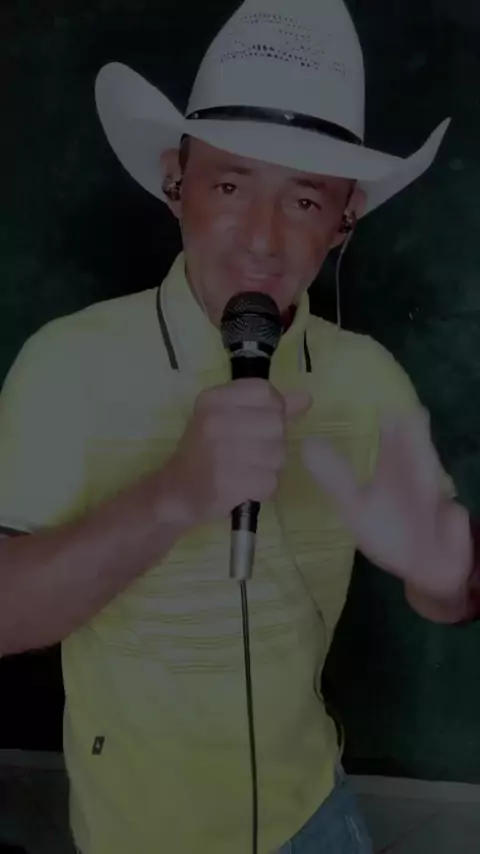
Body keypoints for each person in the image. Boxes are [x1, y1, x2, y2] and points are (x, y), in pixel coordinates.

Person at [0, 0, 478, 852]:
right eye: (229, 185)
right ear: (174, 182)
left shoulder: (367, 378)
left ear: (344, 220)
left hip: (317, 815)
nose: (262, 239)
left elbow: (451, 595)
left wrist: (447, 578)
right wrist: (175, 495)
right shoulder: (66, 363)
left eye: (304, 199)